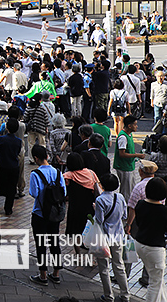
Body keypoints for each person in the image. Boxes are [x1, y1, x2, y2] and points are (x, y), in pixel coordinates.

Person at [28, 145, 66, 286]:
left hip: (40, 213)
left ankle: (43, 275)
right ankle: (56, 273)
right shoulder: (57, 172)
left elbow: (34, 193)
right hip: (54, 213)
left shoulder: (35, 174)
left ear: (36, 158)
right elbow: (64, 192)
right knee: (54, 242)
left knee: (41, 245)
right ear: (48, 156)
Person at [93, 174, 129, 302]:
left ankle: (109, 296)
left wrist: (95, 209)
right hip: (118, 236)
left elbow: (99, 220)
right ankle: (125, 295)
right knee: (119, 265)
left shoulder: (100, 200)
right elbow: (124, 215)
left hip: (104, 238)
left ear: (102, 185)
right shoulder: (120, 197)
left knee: (104, 268)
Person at [115, 114, 145, 202]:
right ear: (129, 125)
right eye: (135, 124)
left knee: (130, 188)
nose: (136, 126)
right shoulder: (123, 137)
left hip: (129, 165)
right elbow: (122, 154)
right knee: (126, 191)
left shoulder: (129, 135)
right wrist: (136, 155)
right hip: (124, 167)